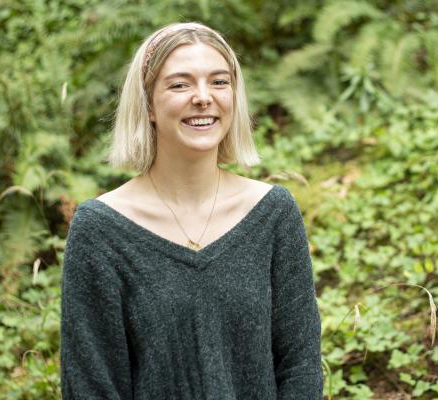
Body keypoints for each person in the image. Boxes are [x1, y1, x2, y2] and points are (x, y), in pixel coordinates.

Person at [60, 22, 323, 399]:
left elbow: (300, 366)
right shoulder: (100, 230)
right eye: (180, 84)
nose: (203, 97)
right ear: (148, 104)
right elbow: (90, 385)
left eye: (219, 82)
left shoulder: (273, 214)